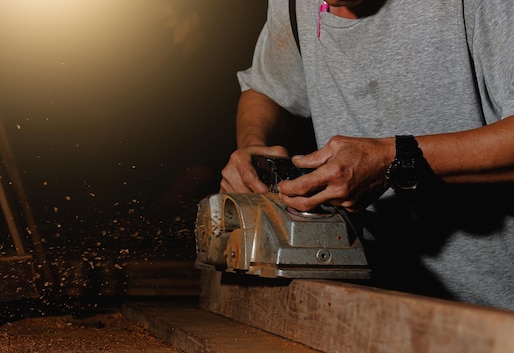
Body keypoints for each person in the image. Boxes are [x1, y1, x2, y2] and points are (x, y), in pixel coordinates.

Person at [220, 0, 514, 310]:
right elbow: (266, 88)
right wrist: (253, 146)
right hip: (367, 305)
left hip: (495, 310)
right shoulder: (295, 5)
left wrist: (394, 158)